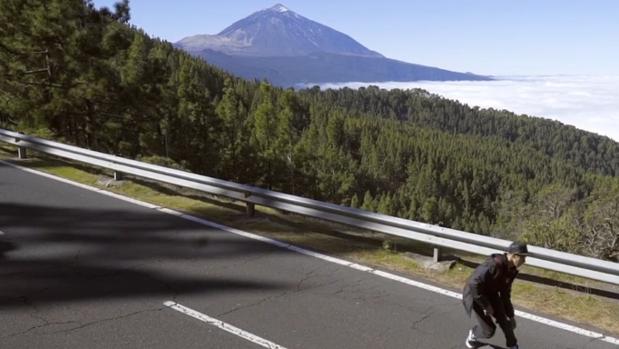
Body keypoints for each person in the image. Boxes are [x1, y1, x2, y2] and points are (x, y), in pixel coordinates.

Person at [462, 241, 529, 349]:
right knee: (489, 331)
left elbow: (505, 294)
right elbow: (473, 283)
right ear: (514, 256)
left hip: (490, 293)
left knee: (505, 321)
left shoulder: (511, 270)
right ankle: (473, 334)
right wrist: (486, 306)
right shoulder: (494, 264)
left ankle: (513, 345)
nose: (525, 261)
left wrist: (511, 316)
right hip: (475, 295)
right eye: (523, 258)